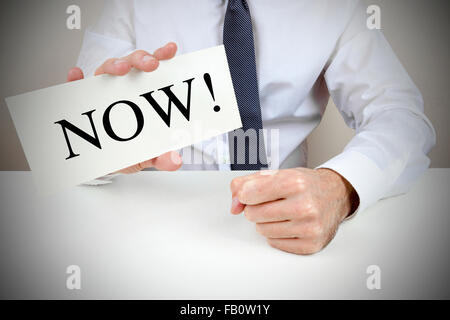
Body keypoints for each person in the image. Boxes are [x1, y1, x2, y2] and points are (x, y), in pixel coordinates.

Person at [68, 0, 435, 255]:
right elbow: (74, 145)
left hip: (283, 231)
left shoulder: (336, 8)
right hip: (149, 226)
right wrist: (97, 152)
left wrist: (339, 187)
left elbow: (402, 118)